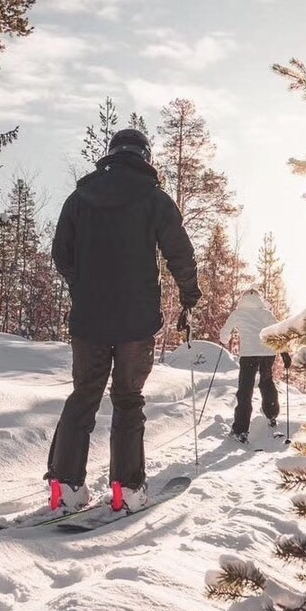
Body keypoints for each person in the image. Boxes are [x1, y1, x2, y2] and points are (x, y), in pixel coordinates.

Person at [48, 127, 200, 513]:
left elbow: (61, 254)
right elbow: (179, 251)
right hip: (136, 321)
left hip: (88, 319)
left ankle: (65, 486)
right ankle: (127, 490)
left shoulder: (80, 197)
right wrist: (189, 295)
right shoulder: (154, 199)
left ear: (111, 153)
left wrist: (83, 284)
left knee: (84, 395)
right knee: (128, 400)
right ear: (145, 156)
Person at [220, 288, 291, 443]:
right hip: (268, 354)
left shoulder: (238, 313)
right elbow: (277, 332)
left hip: (249, 354)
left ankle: (241, 429)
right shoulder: (265, 313)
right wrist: (284, 352)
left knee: (245, 389)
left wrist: (225, 339)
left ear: (242, 298)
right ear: (259, 298)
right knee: (266, 382)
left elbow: (224, 335)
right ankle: (271, 414)